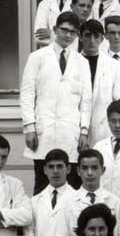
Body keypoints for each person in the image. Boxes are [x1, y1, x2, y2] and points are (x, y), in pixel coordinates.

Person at [21, 11, 90, 194]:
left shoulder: (82, 62)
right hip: (44, 131)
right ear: (54, 29)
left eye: (72, 32)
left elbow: (86, 100)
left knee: (71, 186)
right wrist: (29, 127)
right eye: (64, 30)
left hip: (70, 132)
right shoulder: (37, 57)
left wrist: (84, 131)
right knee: (43, 184)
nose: (68, 35)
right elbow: (27, 93)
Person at [54, 148, 120, 236]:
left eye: (94, 168)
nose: (90, 173)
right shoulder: (67, 201)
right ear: (78, 171)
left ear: (103, 170)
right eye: (85, 168)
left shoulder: (114, 201)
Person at [81, 20, 120, 145]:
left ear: (102, 38)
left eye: (96, 36)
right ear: (80, 37)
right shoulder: (72, 63)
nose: (92, 41)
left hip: (103, 129)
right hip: (76, 129)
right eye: (88, 35)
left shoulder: (113, 65)